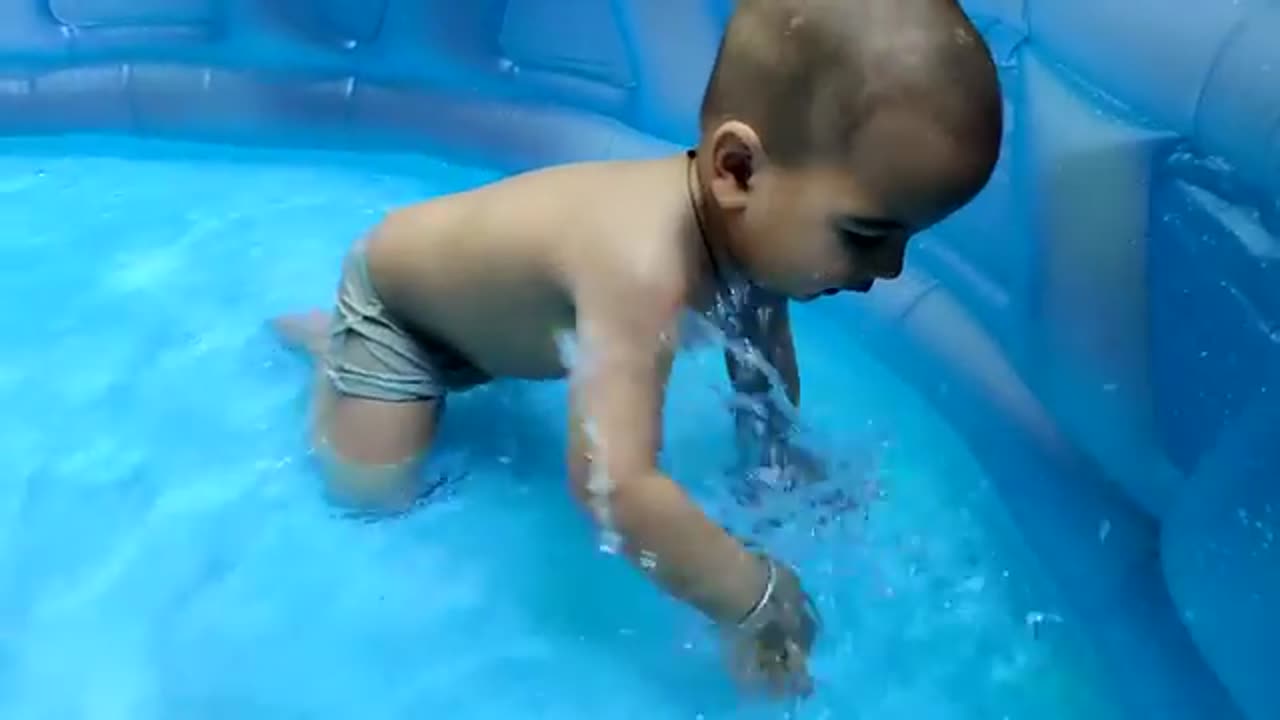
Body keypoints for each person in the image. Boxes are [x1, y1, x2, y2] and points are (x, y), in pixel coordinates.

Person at [273, 0, 1002, 699]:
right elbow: (612, 488)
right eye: (867, 235)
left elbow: (759, 349)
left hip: (493, 326)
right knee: (374, 493)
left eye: (909, 239)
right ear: (738, 171)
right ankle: (338, 356)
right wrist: (752, 595)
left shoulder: (751, 236)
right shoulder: (640, 266)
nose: (892, 271)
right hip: (402, 315)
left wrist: (778, 457)